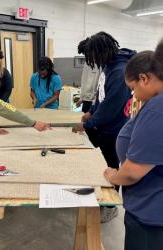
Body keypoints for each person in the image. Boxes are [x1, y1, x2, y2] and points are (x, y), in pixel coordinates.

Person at [104, 40, 163, 250]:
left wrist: (112, 177)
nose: (133, 94)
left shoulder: (158, 109)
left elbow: (132, 173)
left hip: (151, 214)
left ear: (144, 79)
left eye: (132, 88)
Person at [72, 31, 135, 222]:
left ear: (102, 52)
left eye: (92, 58)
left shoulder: (119, 71)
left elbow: (111, 107)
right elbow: (102, 96)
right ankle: (99, 195)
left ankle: (110, 206)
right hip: (104, 126)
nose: (92, 62)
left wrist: (89, 123)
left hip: (114, 130)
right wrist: (90, 111)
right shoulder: (108, 66)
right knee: (101, 165)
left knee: (111, 167)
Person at [77, 39, 101, 113]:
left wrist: (94, 103)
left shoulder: (100, 64)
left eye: (86, 53)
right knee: (84, 122)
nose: (86, 56)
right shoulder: (87, 63)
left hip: (94, 102)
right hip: (86, 101)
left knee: (92, 123)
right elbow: (84, 81)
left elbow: (98, 85)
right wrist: (81, 98)